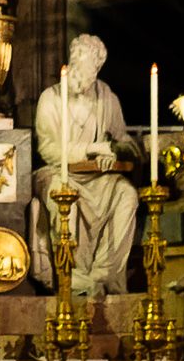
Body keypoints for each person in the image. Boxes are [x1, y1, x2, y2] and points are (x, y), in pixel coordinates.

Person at [31, 34, 141, 295]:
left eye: (84, 62)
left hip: (98, 178)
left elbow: (123, 141)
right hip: (58, 172)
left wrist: (113, 152)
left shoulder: (107, 98)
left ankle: (103, 275)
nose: (76, 67)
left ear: (97, 66)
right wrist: (91, 149)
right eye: (74, 59)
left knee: (127, 195)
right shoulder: (51, 98)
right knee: (63, 197)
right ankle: (74, 279)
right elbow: (48, 150)